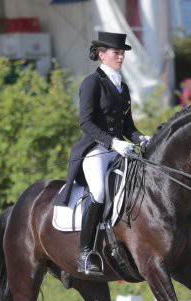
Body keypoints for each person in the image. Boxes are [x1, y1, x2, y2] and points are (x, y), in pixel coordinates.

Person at [54, 31, 150, 276]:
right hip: (95, 150)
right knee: (98, 192)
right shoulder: (91, 83)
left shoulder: (123, 87)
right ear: (102, 54)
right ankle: (85, 253)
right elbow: (86, 123)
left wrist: (141, 138)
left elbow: (127, 126)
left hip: (119, 150)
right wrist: (113, 143)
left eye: (122, 53)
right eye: (116, 53)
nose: (120, 57)